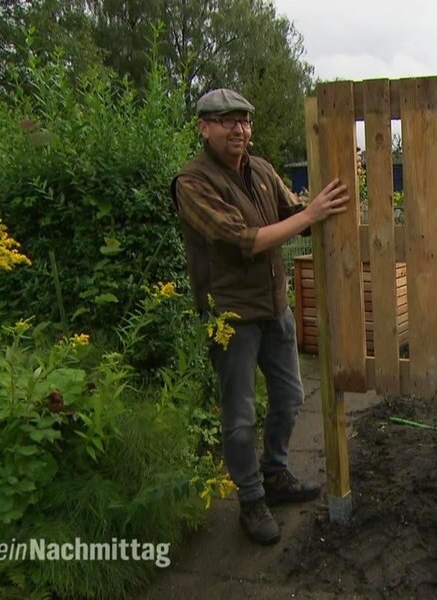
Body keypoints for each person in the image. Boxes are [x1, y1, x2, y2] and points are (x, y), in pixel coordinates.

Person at [171, 88, 349, 545]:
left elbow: (295, 213)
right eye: (227, 121)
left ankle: (275, 475)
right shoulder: (192, 182)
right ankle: (250, 500)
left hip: (274, 308)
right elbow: (242, 240)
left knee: (290, 396)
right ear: (204, 127)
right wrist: (309, 213)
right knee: (239, 415)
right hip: (232, 315)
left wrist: (328, 200)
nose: (239, 129)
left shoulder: (263, 169)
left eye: (245, 121)